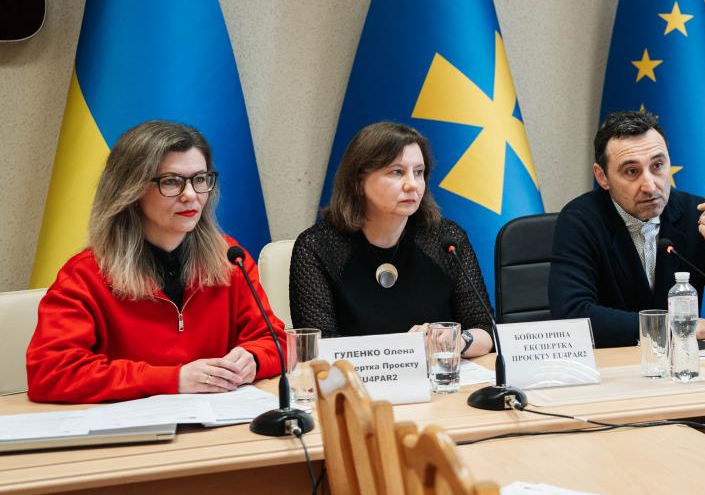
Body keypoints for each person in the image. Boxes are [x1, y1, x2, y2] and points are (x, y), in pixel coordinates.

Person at [26, 121, 284, 403]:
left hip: (219, 421)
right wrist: (173, 379)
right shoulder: (85, 274)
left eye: (200, 179)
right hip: (130, 426)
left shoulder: (230, 258)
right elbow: (50, 372)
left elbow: (278, 341)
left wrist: (254, 358)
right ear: (131, 189)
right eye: (171, 181)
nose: (191, 195)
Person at [549, 110, 705, 348]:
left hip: (684, 363)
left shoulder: (696, 215)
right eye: (631, 171)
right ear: (602, 176)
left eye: (657, 165)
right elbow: (572, 315)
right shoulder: (580, 220)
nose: (649, 186)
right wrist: (676, 326)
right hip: (612, 363)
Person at [289, 122, 494, 357]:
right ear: (358, 181)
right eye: (397, 172)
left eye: (419, 172)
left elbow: (485, 329)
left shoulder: (446, 240)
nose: (412, 185)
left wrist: (456, 340)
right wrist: (402, 351)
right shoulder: (318, 247)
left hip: (438, 377)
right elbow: (317, 346)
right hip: (357, 379)